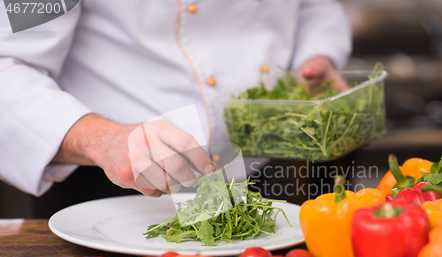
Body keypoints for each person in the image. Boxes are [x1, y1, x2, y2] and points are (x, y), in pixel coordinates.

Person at [0, 0, 351, 217]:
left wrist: (316, 54)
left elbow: (313, 6)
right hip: (112, 191)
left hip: (261, 175)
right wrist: (103, 139)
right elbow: (6, 62)